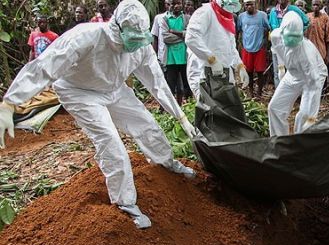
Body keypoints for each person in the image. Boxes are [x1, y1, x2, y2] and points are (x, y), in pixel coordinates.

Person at [0, 0, 197, 229]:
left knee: (147, 125)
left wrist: (180, 115)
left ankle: (167, 162)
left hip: (114, 89)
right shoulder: (86, 37)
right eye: (131, 38)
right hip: (79, 92)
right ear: (118, 27)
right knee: (110, 141)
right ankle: (125, 203)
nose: (134, 44)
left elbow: (157, 83)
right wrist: (10, 103)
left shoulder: (140, 46)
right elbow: (44, 66)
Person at [268, 12, 327, 136]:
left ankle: (300, 146)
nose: (291, 40)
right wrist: (280, 67)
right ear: (282, 31)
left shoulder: (306, 54)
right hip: (293, 73)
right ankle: (279, 142)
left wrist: (312, 117)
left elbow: (314, 86)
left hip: (312, 77)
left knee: (303, 118)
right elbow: (278, 50)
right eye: (289, 36)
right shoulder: (275, 36)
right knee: (275, 108)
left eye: (295, 37)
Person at [184, 0, 249, 100]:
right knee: (208, 108)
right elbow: (191, 38)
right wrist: (211, 59)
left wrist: (240, 66)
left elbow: (231, 47)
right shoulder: (205, 12)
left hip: (224, 72)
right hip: (204, 72)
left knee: (225, 108)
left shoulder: (228, 17)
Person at [268, 0, 310, 87]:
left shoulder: (294, 10)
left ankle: (293, 93)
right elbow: (271, 27)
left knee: (292, 71)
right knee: (278, 71)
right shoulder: (273, 12)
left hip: (291, 46)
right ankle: (279, 94)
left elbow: (306, 22)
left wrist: (298, 33)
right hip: (277, 47)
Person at [237, 0, 271, 98]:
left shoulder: (262, 15)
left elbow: (268, 28)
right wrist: (238, 44)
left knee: (260, 72)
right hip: (246, 49)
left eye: (251, 4)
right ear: (244, 5)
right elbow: (238, 30)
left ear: (255, 4)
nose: (249, 6)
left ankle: (259, 92)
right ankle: (251, 92)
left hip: (259, 48)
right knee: (248, 72)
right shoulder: (241, 17)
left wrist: (264, 43)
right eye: (247, 4)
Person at [161, 0, 192, 105]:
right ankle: (171, 106)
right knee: (171, 85)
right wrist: (183, 36)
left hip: (185, 56)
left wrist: (174, 31)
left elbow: (191, 35)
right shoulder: (165, 19)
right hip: (171, 58)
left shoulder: (187, 18)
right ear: (170, 5)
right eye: (173, 4)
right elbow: (166, 38)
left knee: (187, 83)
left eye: (178, 3)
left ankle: (189, 105)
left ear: (182, 4)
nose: (176, 6)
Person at [306, 0, 329, 65]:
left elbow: (328, 38)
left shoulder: (326, 18)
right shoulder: (306, 17)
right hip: (309, 52)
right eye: (314, 5)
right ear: (311, 6)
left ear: (320, 6)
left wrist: (328, 55)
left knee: (322, 72)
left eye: (317, 5)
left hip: (321, 52)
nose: (315, 7)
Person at [151, 0, 171, 66]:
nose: (170, 6)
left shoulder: (183, 18)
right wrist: (154, 56)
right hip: (162, 55)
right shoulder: (159, 18)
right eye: (168, 4)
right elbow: (155, 37)